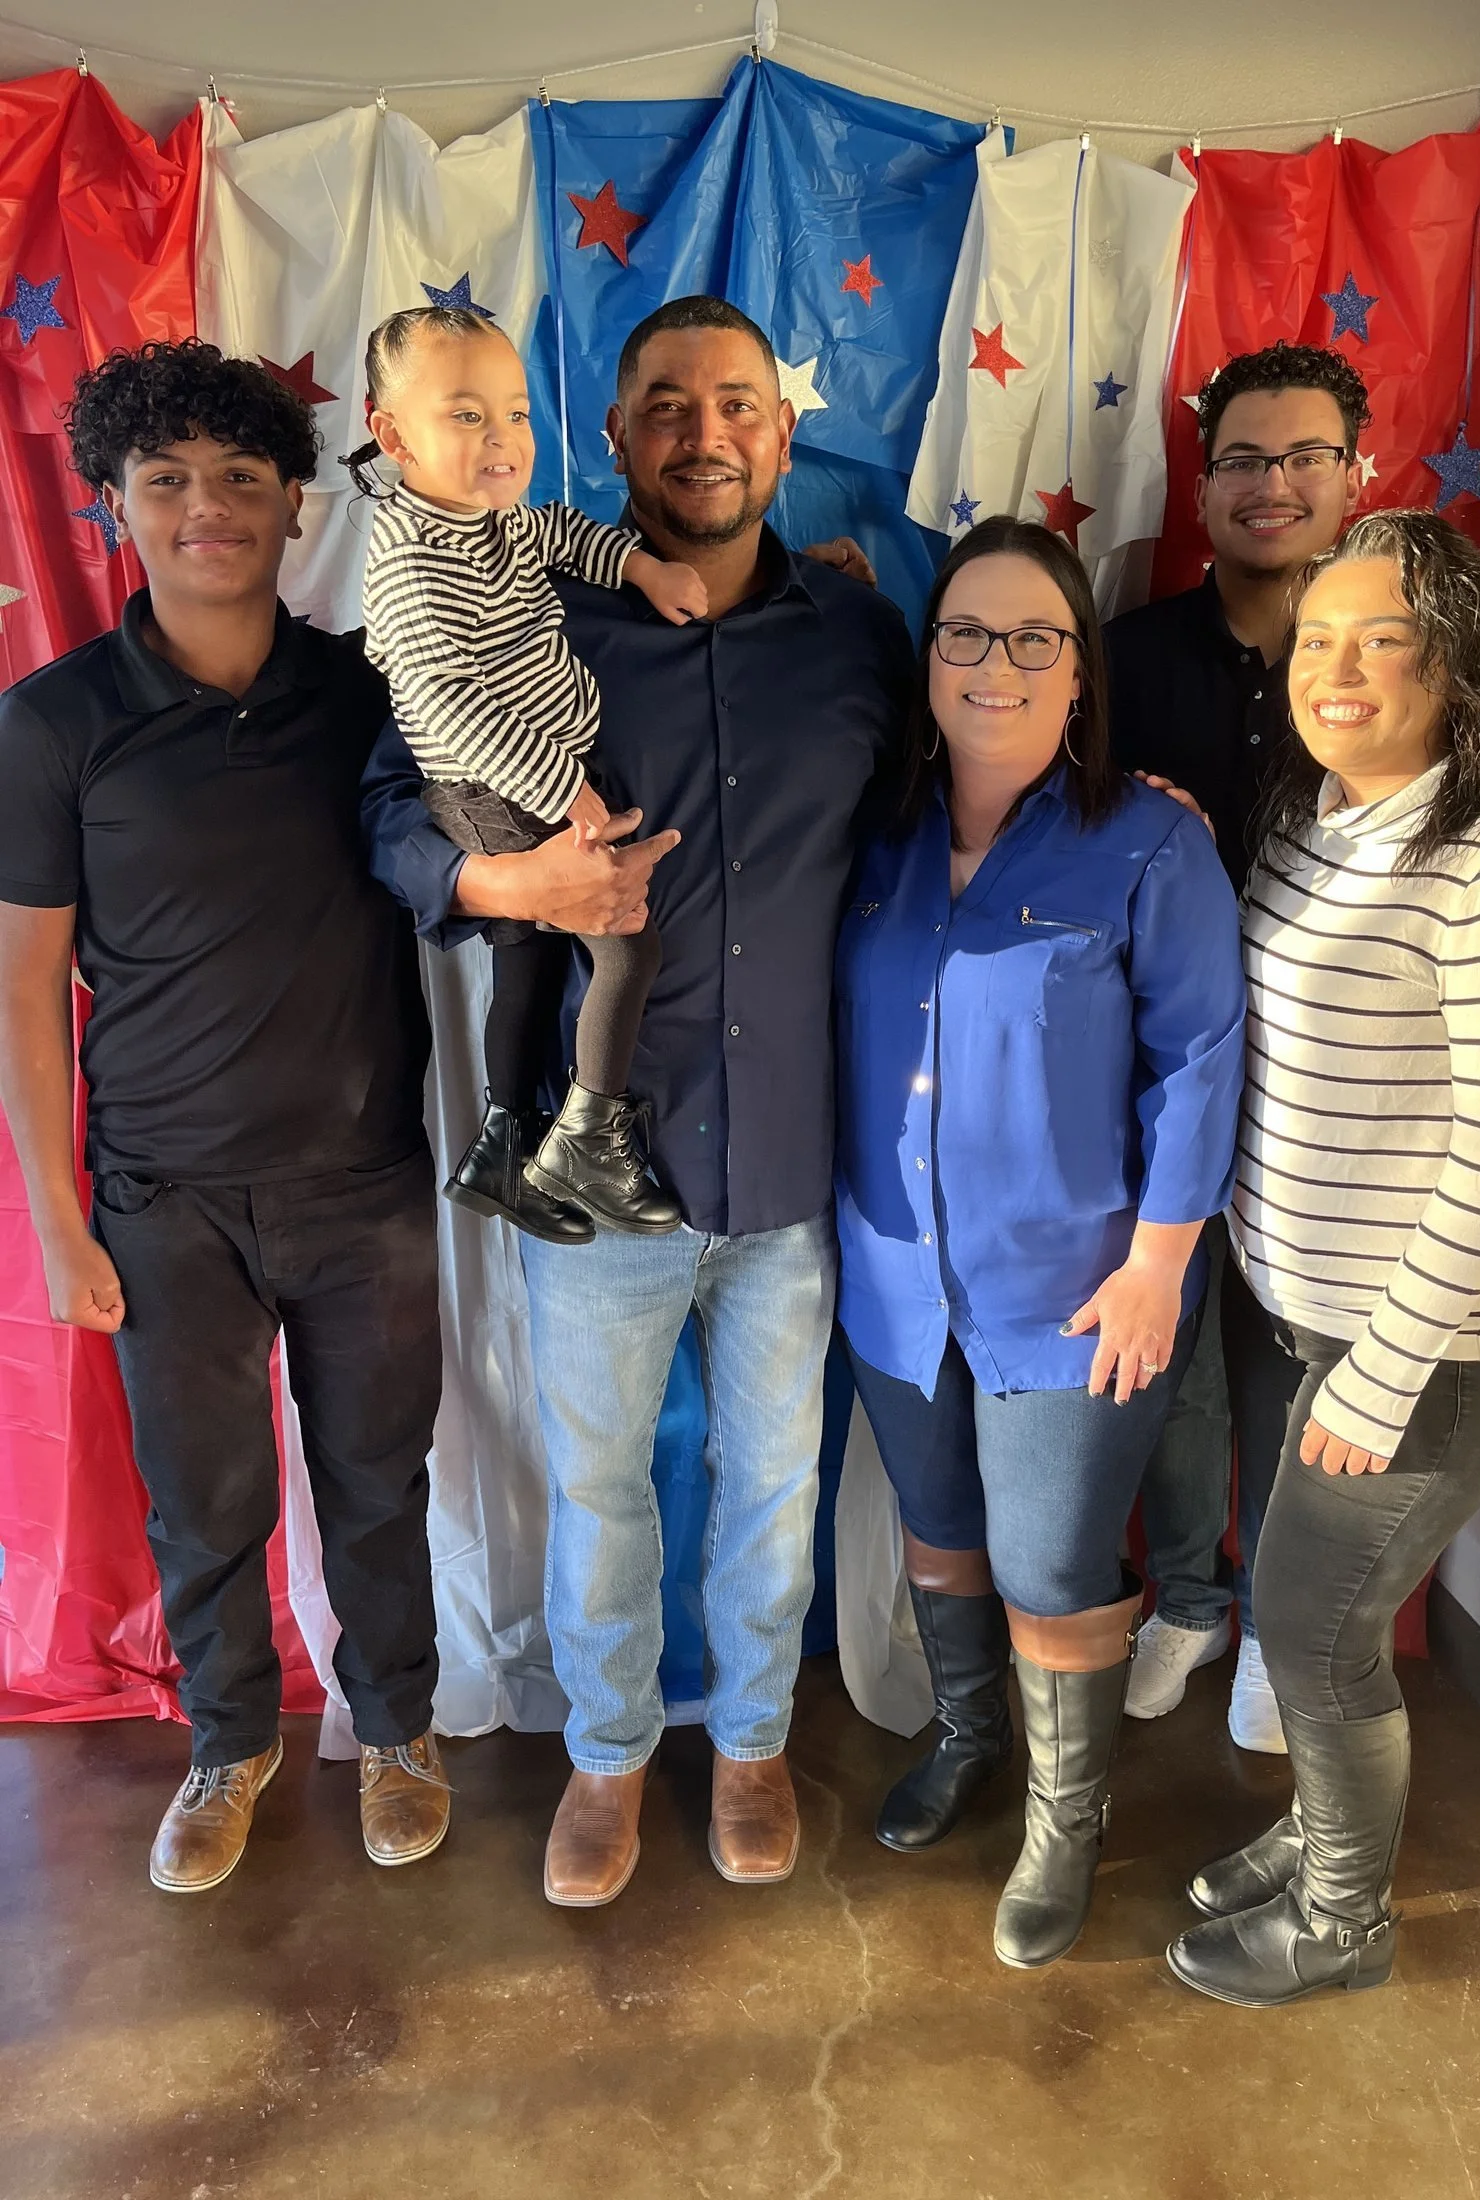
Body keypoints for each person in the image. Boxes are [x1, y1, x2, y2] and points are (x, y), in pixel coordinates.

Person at [361, 295, 913, 1907]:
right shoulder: (519, 605)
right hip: (594, 1172)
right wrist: (501, 877)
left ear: (782, 431)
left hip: (797, 1169)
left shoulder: (858, 637)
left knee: (774, 1485)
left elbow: (931, 827)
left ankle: (749, 1741)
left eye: (735, 401)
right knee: (598, 1487)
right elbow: (394, 816)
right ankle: (606, 1755)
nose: (702, 430)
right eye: (662, 403)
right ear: (609, 438)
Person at [0, 342, 464, 1892]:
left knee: (377, 1481)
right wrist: (61, 1224)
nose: (208, 508)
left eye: (242, 479)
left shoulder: (363, 693)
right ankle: (229, 1742)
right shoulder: (56, 722)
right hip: (162, 1201)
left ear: (292, 504)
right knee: (204, 1503)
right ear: (115, 504)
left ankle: (394, 1727)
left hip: (363, 1184)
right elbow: (25, 990)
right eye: (168, 480)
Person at [1167, 510, 1480, 2005]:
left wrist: (1379, 1369)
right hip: (1297, 1324)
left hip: (1418, 1360)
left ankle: (1344, 1919)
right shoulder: (1309, 819)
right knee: (1304, 1629)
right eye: (1319, 641)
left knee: (1313, 1631)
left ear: (1460, 668)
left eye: (1386, 641)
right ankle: (1315, 1838)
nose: (1336, 671)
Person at [835, 515, 1246, 1969]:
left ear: (1079, 670)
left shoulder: (1150, 836)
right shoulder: (869, 833)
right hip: (892, 1281)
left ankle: (1062, 1827)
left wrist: (1157, 1264)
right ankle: (965, 1744)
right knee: (942, 1538)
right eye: (965, 633)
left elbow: (1200, 1057)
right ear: (927, 658)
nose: (995, 663)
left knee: (1054, 1567)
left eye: (1033, 637)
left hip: (1073, 1298)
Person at [1104, 341, 1371, 1753]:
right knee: (1172, 1371)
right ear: (1200, 483)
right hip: (1160, 1088)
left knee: (1303, 1380)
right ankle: (1188, 1599)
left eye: (1302, 457)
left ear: (1354, 476)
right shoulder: (1127, 657)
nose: (1272, 486)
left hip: (1337, 1100)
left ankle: (1274, 1623)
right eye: (1243, 459)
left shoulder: (1394, 663)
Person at [350, 305, 709, 1242]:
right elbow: (450, 715)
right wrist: (566, 793)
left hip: (525, 781)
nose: (504, 438)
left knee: (534, 959)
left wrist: (642, 568)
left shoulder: (500, 520)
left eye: (515, 412)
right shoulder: (410, 557)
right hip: (499, 790)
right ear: (393, 435)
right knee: (627, 942)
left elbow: (563, 533)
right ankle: (589, 1131)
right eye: (467, 416)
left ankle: (501, 1143)